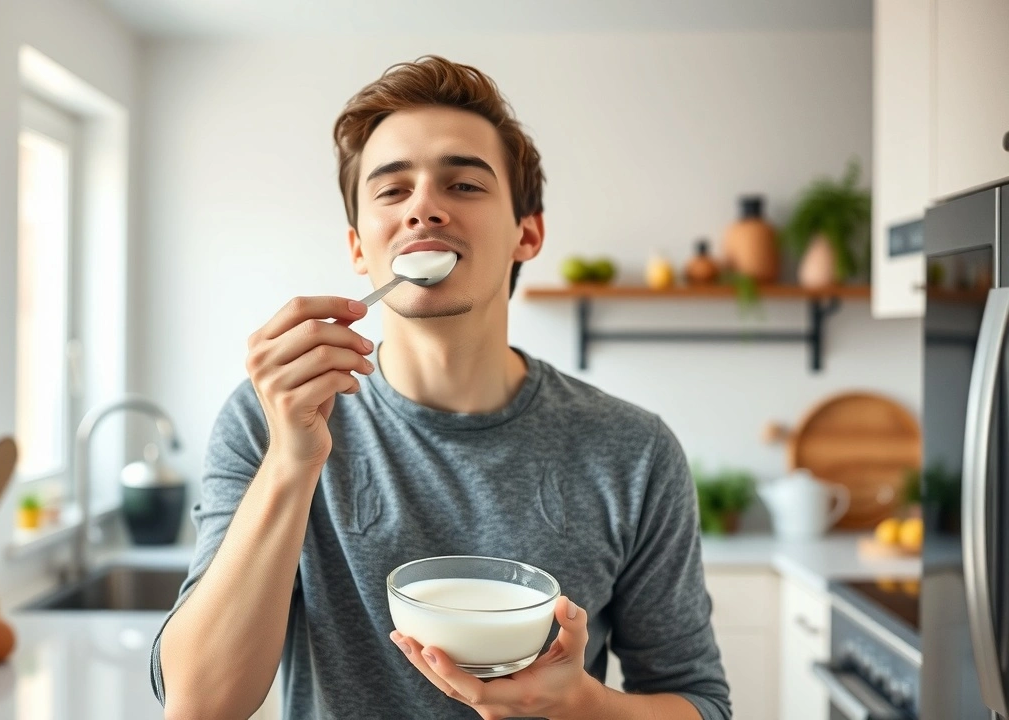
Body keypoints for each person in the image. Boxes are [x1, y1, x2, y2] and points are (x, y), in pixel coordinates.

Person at [152, 55, 730, 720]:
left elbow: (701, 702)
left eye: (463, 185)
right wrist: (291, 462)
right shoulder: (271, 420)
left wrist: (580, 705)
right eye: (392, 192)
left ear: (527, 233)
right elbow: (198, 705)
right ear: (359, 250)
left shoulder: (633, 449)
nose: (424, 208)